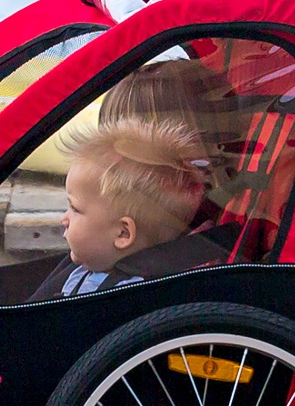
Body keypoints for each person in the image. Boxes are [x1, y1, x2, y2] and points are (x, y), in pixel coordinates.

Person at [28, 116, 221, 301]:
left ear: (122, 233)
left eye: (75, 209)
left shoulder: (124, 299)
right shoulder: (91, 267)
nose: (64, 219)